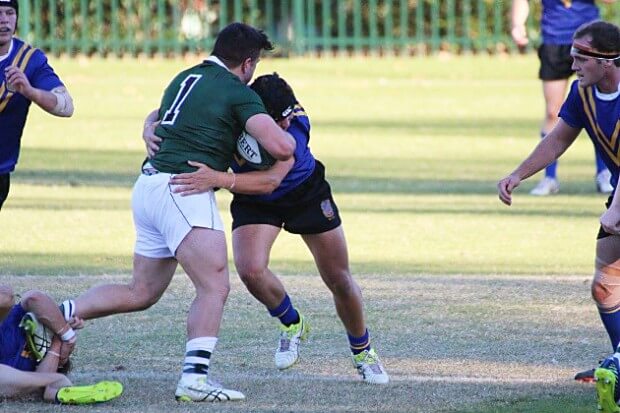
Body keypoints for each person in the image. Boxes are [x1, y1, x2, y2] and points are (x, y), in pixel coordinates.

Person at [58, 23, 296, 403]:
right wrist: (283, 136)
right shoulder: (237, 91)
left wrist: (147, 126)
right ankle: (194, 379)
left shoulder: (185, 77)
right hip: (185, 188)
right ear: (248, 63)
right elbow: (281, 146)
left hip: (149, 187)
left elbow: (159, 114)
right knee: (214, 285)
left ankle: (57, 314)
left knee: (142, 291)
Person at [162, 73, 389, 384]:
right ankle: (291, 323)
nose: (284, 127)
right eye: (276, 121)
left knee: (339, 278)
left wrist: (218, 178)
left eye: (287, 117)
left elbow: (270, 180)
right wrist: (150, 128)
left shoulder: (294, 126)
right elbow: (168, 112)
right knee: (250, 269)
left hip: (304, 192)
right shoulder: (231, 113)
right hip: (255, 200)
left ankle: (363, 351)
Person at [497, 20, 620, 412]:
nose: (572, 62)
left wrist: (616, 210)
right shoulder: (582, 93)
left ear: (609, 61)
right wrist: (518, 174)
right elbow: (558, 139)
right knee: (605, 287)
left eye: (581, 55)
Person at [510, 0, 615, 196]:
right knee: (553, 111)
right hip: (554, 41)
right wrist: (517, 25)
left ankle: (604, 173)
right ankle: (549, 178)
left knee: (598, 108)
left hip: (591, 45)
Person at [0, 0, 74, 210]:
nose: (3, 20)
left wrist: (30, 92)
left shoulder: (28, 60)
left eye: (9, 13)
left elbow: (66, 106)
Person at [0, 284, 123, 404]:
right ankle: (56, 393)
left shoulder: (28, 366)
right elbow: (32, 298)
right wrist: (67, 334)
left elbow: (44, 379)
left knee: (50, 382)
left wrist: (59, 342)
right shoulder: (16, 322)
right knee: (6, 296)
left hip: (16, 377)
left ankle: (55, 392)